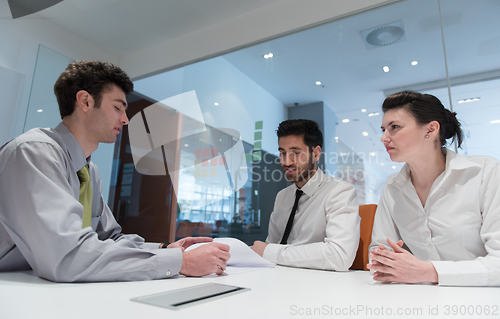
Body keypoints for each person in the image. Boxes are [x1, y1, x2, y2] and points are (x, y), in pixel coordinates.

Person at [0, 60, 230, 282]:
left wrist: (164, 249)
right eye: (118, 107)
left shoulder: (89, 170)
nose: (125, 119)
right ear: (85, 101)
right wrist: (181, 262)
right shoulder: (34, 152)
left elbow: (109, 238)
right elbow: (68, 256)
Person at [368, 90, 500, 286]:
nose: (384, 138)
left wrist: (428, 272)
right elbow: (379, 248)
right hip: (421, 298)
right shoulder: (393, 187)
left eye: (394, 127)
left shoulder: (485, 173)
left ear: (430, 130)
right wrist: (382, 258)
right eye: (383, 129)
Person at [251, 119, 359, 270]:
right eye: (282, 153)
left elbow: (339, 256)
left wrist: (270, 251)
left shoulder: (339, 192)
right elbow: (271, 247)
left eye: (295, 153)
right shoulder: (282, 197)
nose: (286, 161)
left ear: (315, 154)